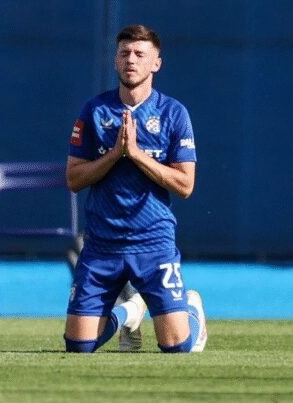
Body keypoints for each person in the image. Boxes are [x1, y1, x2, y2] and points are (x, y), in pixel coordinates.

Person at [64, 24, 207, 353]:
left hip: (153, 242)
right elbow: (74, 179)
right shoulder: (95, 111)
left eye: (140, 54)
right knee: (79, 347)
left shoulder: (173, 113)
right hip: (102, 243)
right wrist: (115, 154)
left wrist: (137, 155)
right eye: (124, 53)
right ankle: (129, 313)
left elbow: (185, 185)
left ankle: (192, 310)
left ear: (156, 63)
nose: (131, 59)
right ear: (115, 60)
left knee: (176, 347)